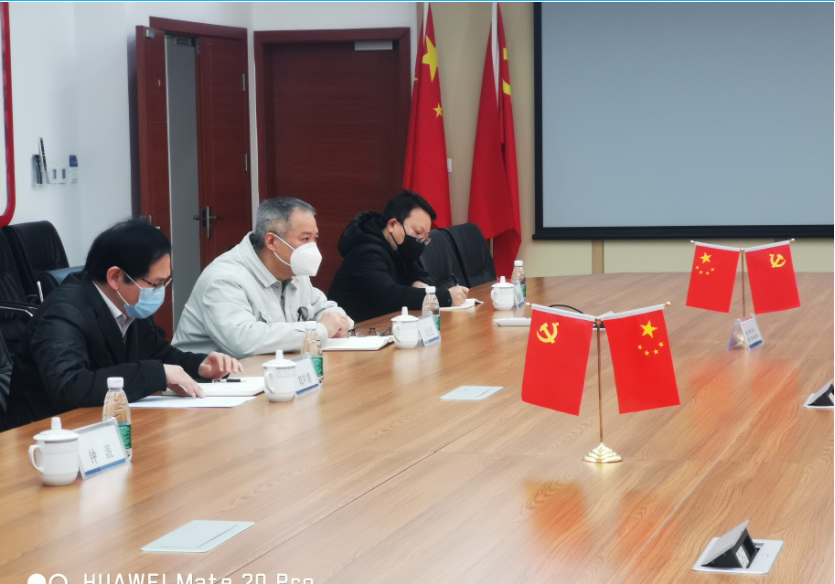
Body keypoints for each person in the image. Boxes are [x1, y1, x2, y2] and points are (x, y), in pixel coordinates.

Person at [2, 219, 242, 431]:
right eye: (155, 284)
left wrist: (199, 365)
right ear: (115, 277)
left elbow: (157, 353)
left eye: (165, 283)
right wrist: (156, 374)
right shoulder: (63, 312)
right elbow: (70, 387)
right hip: (43, 436)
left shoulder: (130, 303)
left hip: (100, 425)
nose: (160, 292)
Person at [173, 197, 352, 359]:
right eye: (305, 239)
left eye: (315, 238)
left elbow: (326, 310)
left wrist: (338, 322)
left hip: (269, 372)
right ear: (272, 242)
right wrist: (318, 331)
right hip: (208, 381)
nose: (312, 247)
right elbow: (243, 342)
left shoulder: (294, 271)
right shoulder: (224, 278)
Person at [328, 190, 469, 323]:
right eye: (417, 233)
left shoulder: (399, 249)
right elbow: (388, 296)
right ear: (392, 225)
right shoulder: (366, 252)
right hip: (355, 332)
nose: (420, 241)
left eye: (425, 237)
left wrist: (420, 282)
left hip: (385, 327)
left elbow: (430, 278)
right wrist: (446, 298)